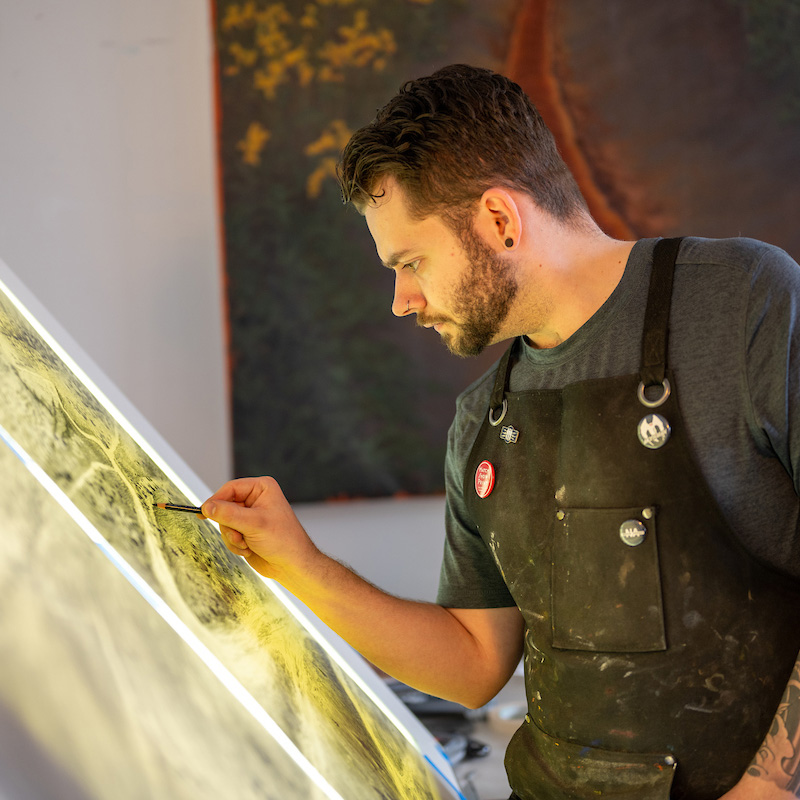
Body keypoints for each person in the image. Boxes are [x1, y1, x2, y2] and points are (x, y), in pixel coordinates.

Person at [202, 64, 800, 800]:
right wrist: (301, 568)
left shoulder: (744, 301)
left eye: (410, 261)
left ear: (500, 221)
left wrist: (770, 787)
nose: (401, 299)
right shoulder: (483, 419)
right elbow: (475, 663)